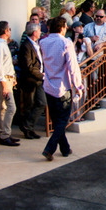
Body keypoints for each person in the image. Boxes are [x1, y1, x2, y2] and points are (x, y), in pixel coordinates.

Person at [38, 16, 84, 162]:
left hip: (48, 86)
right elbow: (73, 66)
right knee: (62, 120)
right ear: (62, 27)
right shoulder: (66, 43)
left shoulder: (43, 42)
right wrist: (78, 85)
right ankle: (49, 148)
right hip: (63, 88)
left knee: (57, 119)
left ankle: (65, 148)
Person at [0, 21, 19, 148]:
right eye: (9, 29)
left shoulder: (1, 44)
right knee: (11, 107)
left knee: (4, 107)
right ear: (6, 31)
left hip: (7, 79)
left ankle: (4, 133)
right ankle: (5, 134)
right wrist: (5, 84)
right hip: (4, 80)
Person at [17, 21, 47, 140]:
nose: (40, 32)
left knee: (41, 103)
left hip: (38, 80)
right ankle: (28, 129)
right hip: (30, 80)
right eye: (39, 31)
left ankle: (28, 126)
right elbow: (28, 66)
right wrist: (41, 75)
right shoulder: (26, 46)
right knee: (28, 105)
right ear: (35, 32)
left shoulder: (36, 44)